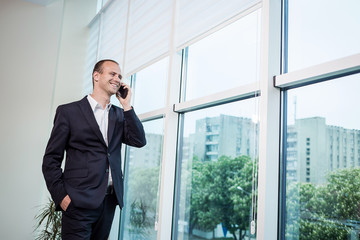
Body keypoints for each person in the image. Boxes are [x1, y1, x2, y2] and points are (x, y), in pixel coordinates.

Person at [42, 59, 146, 239]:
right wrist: (62, 198)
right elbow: (51, 159)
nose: (118, 79)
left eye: (120, 76)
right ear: (96, 76)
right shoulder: (69, 112)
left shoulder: (120, 114)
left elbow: (139, 140)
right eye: (112, 74)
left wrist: (127, 105)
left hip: (108, 203)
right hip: (78, 203)